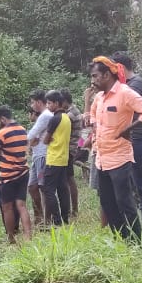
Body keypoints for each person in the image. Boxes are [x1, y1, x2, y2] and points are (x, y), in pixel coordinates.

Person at [89, 56, 142, 239]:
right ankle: (122, 238)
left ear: (106, 75)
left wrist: (130, 128)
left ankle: (136, 240)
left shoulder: (125, 93)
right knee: (107, 202)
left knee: (124, 201)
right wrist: (94, 125)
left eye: (95, 76)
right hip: (101, 159)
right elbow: (93, 115)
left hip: (120, 157)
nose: (93, 80)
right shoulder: (99, 97)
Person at [113, 51, 142, 220]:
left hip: (136, 138)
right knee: (130, 180)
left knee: (140, 180)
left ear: (120, 68)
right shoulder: (126, 85)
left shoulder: (135, 84)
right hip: (128, 139)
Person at [0, 106, 32, 243]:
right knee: (21, 205)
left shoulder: (1, 134)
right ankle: (28, 236)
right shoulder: (22, 129)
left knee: (7, 207)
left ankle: (11, 238)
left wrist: (2, 153)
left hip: (8, 175)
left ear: (3, 119)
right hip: (23, 172)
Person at [40, 91, 73, 226]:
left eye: (49, 103)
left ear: (56, 103)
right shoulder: (66, 118)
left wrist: (46, 139)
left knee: (48, 190)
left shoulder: (55, 119)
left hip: (53, 158)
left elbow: (46, 139)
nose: (47, 106)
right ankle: (65, 218)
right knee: (62, 189)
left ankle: (57, 220)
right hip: (63, 158)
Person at [26, 89, 53, 224]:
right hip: (37, 155)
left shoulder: (45, 116)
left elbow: (31, 135)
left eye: (32, 103)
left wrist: (29, 141)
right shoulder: (43, 115)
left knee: (43, 188)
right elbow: (33, 137)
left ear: (38, 102)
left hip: (43, 154)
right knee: (32, 186)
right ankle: (39, 215)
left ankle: (47, 218)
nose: (32, 106)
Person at [62, 89, 83, 217]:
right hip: (72, 148)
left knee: (69, 179)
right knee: (68, 179)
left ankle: (74, 209)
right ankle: (73, 208)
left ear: (64, 101)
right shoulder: (73, 111)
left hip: (69, 149)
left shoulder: (70, 114)